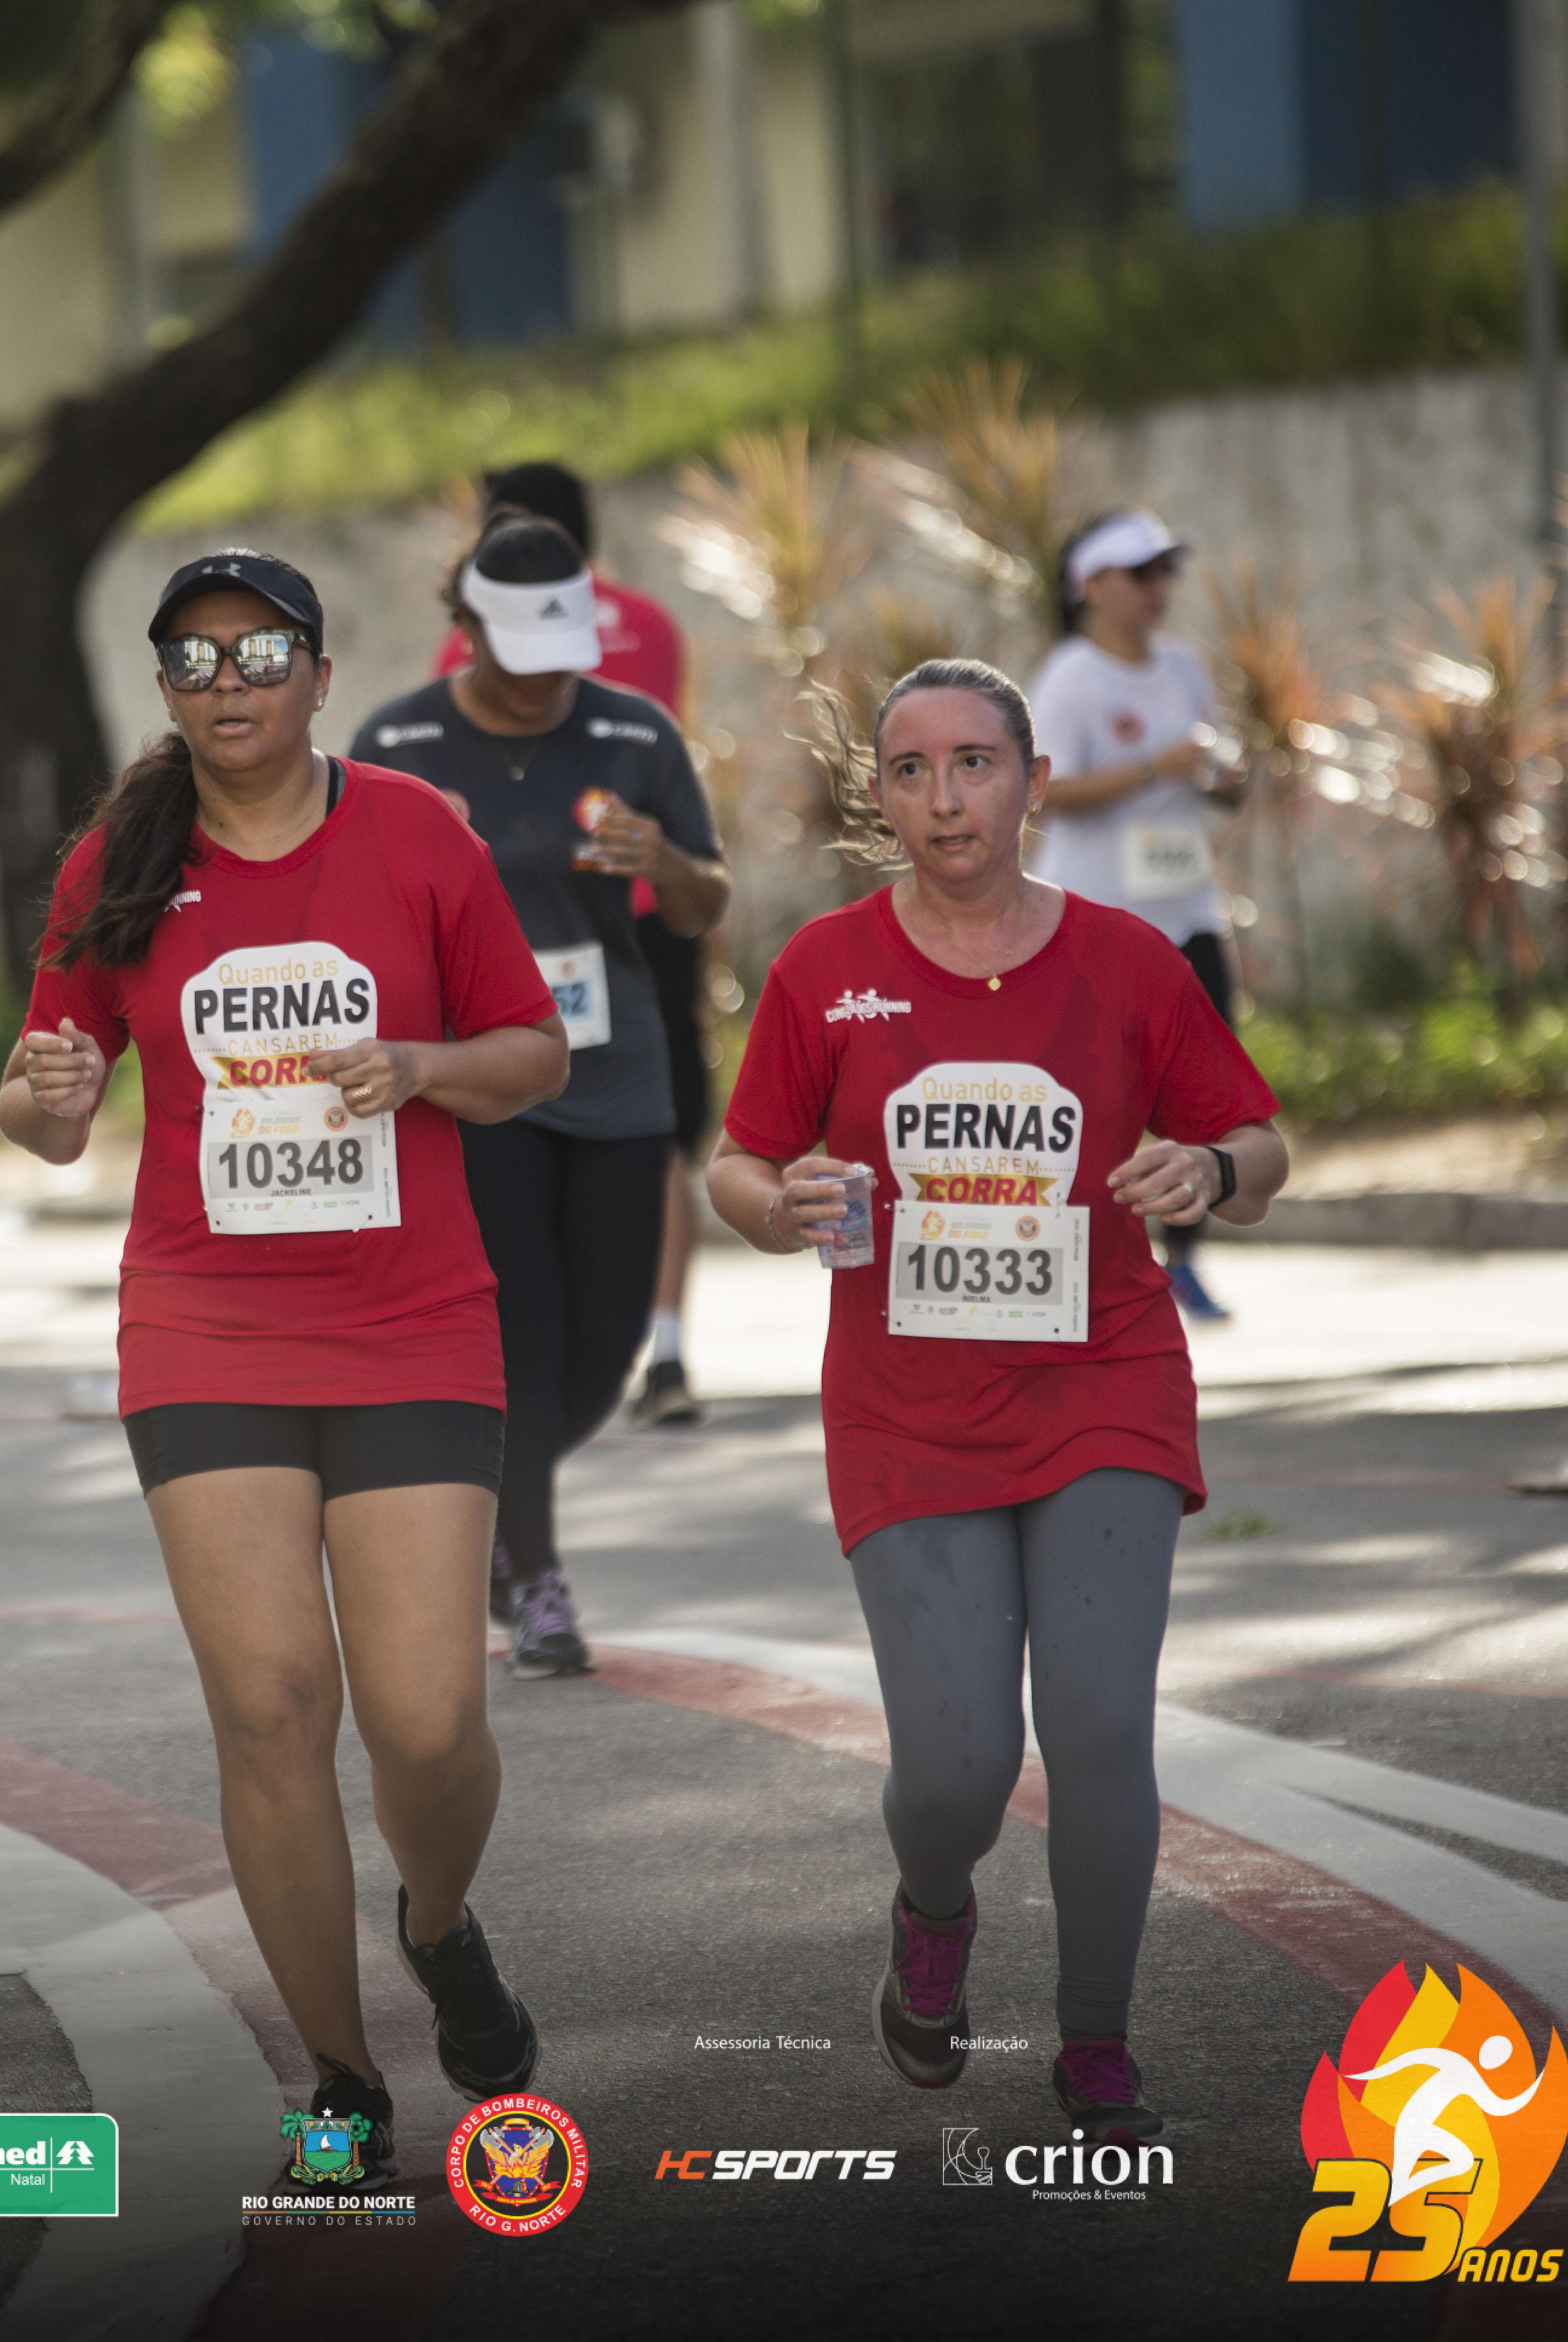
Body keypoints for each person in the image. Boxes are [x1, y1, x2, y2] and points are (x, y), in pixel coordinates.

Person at [3, 548, 569, 2185]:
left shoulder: (417, 834)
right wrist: (47, 1098)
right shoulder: (119, 862)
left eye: (259, 653)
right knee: (268, 1706)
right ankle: (338, 2079)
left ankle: (437, 1922)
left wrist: (423, 1065)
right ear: (164, 690)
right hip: (206, 1325)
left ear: (320, 674)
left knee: (426, 1723)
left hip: (411, 1319)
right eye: (193, 659)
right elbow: (38, 1108)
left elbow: (534, 1056)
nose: (227, 683)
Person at [703, 659, 1288, 2148]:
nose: (945, 797)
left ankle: (1095, 2042)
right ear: (881, 797)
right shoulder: (824, 968)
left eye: (975, 763)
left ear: (1034, 782)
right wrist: (776, 1206)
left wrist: (1208, 1170)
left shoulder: (1126, 963)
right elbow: (738, 1161)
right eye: (910, 770)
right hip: (906, 1408)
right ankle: (932, 1905)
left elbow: (1257, 1143)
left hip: (1103, 1381)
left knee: (1095, 1725)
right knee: (955, 1769)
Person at [360, 514, 728, 1679]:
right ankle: (538, 1577)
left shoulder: (633, 730)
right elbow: (353, 917)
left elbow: (703, 906)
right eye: (518, 654)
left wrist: (664, 862)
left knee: (606, 1346)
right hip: (476, 1079)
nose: (543, 681)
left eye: (561, 655)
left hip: (613, 1071)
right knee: (518, 1328)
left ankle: (486, 1507)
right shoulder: (397, 743)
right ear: (465, 629)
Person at [426, 459, 718, 1429]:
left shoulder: (463, 648)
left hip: (528, 919)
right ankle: (663, 1352)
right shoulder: (654, 627)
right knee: (651, 1131)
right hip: (639, 914)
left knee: (510, 1124)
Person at [1027, 508, 1247, 1323]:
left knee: (1206, 1089)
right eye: (1142, 572)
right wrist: (1156, 766)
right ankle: (1080, 1258)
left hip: (1187, 910)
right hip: (1098, 919)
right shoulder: (1070, 676)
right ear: (1091, 586)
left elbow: (1216, 770)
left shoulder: (1185, 667)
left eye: (1166, 572)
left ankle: (1183, 1261)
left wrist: (1224, 779)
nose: (1160, 588)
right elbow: (1042, 790)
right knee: (1093, 1094)